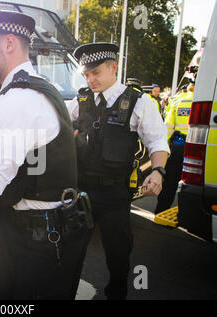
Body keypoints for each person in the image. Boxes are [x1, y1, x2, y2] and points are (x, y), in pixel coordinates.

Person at [0, 9, 91, 300]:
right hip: (34, 231)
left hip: (35, 241)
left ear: (9, 44)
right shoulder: (35, 88)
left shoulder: (17, 99)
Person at [67, 42, 170, 299]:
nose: (90, 80)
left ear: (114, 67)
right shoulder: (81, 101)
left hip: (115, 193)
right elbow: (56, 127)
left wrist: (157, 171)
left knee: (118, 254)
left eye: (96, 73)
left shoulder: (139, 102)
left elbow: (157, 142)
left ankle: (117, 292)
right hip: (81, 191)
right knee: (71, 253)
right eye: (86, 75)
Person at [155, 79, 195, 214]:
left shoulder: (177, 100)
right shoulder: (205, 98)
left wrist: (164, 148)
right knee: (193, 184)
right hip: (198, 148)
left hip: (178, 145)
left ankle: (160, 211)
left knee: (170, 182)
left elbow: (168, 126)